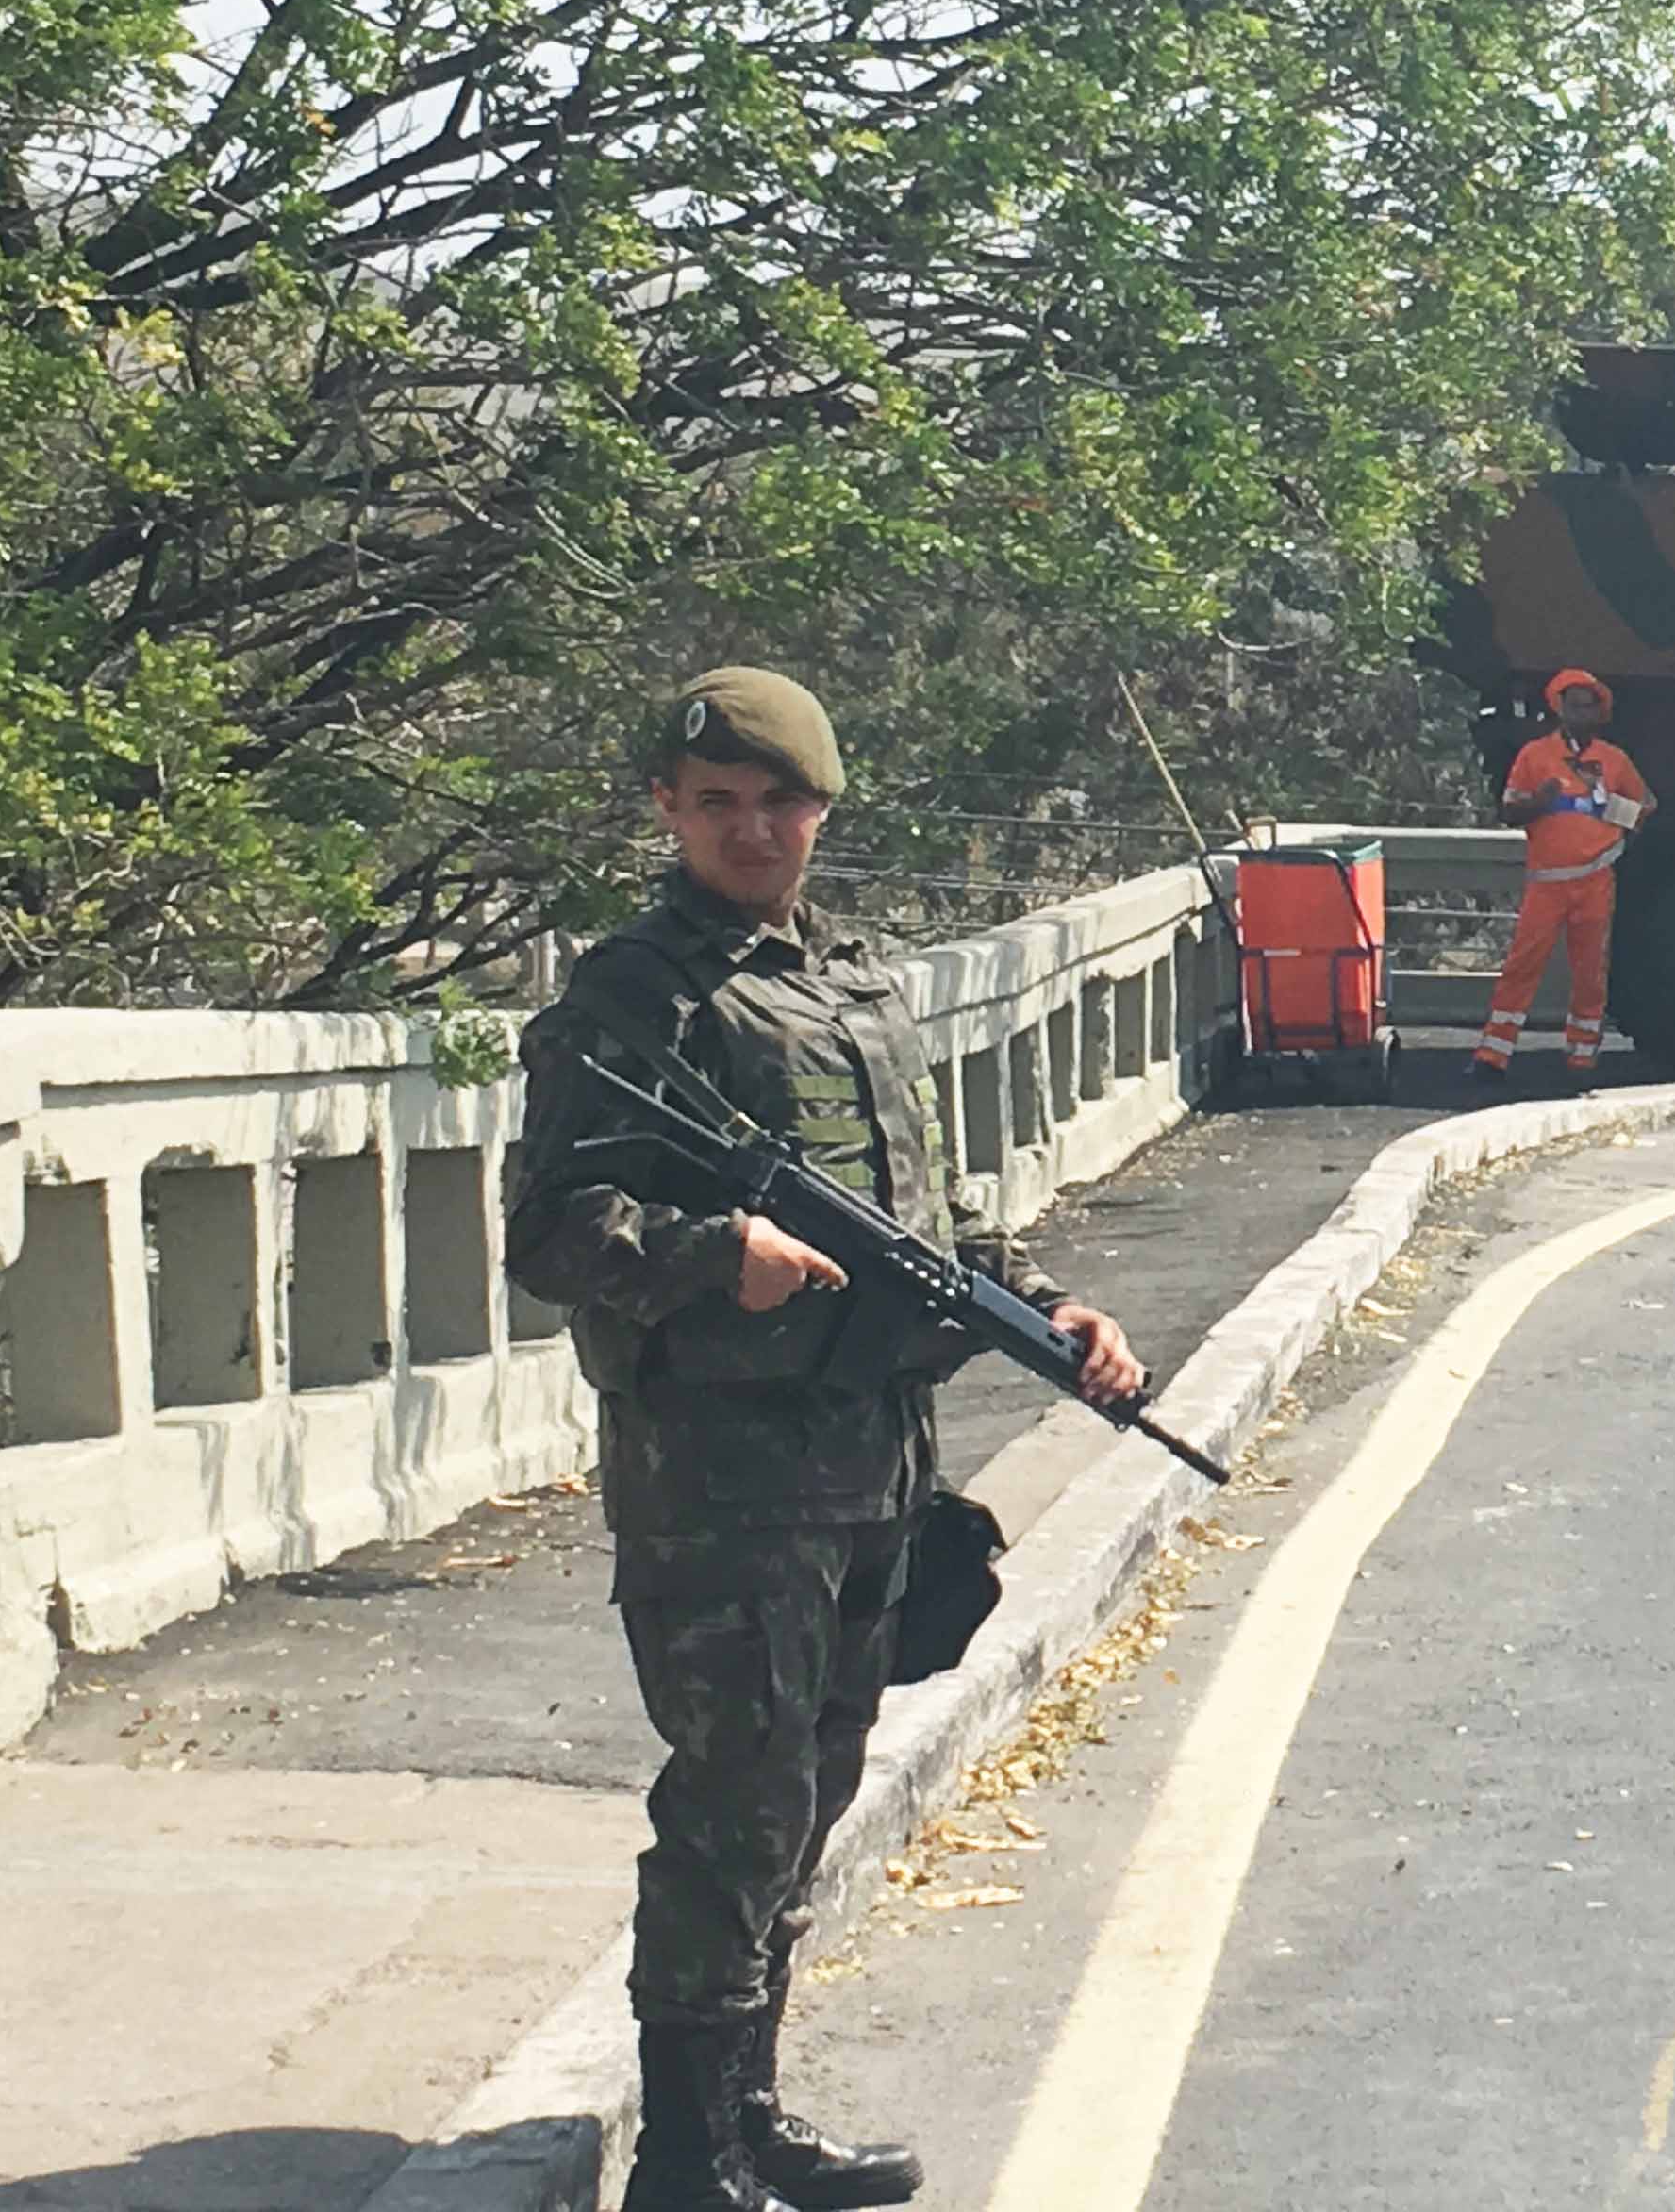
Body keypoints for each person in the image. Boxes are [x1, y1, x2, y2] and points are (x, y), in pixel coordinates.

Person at [504, 668, 1145, 2212]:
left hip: (873, 1457)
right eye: (713, 802)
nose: (748, 828)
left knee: (814, 1783)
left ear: (821, 811)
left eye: (776, 801)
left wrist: (1044, 1303)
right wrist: (707, 1248)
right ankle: (684, 2154)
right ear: (667, 810)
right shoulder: (630, 998)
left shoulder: (856, 985)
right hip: (723, 1476)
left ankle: (751, 2110)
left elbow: (924, 1216)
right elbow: (548, 1225)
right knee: (732, 1794)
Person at [1476, 669, 1653, 1082]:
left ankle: (1582, 1057)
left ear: (1600, 713)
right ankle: (1493, 1055)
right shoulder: (1535, 756)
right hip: (1547, 881)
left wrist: (1606, 803)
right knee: (1522, 966)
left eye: (1589, 706)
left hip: (1595, 878)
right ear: (1559, 709)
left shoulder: (1614, 760)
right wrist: (1541, 801)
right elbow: (1509, 812)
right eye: (1573, 705)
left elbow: (1645, 810)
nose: (1581, 713)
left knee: (1591, 972)